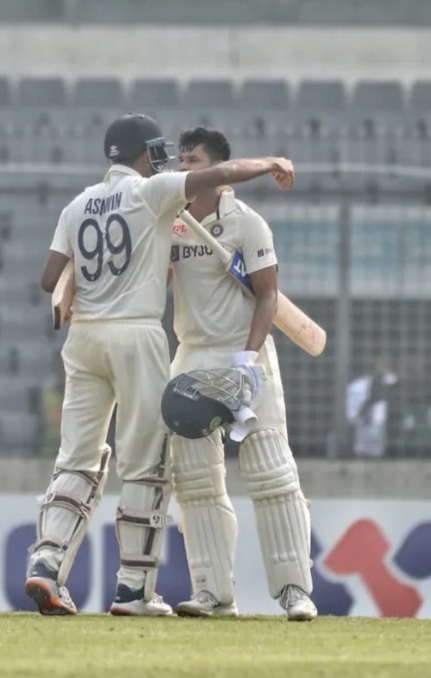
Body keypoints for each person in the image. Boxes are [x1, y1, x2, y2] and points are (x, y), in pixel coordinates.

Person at [25, 114, 295, 617]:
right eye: (156, 152)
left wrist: (80, 291)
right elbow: (221, 176)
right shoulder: (151, 192)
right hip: (136, 335)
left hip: (83, 339)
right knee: (146, 463)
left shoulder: (76, 204)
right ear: (144, 153)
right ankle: (134, 590)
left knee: (77, 458)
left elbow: (49, 281)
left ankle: (46, 563)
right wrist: (273, 163)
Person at [164, 127, 317, 621]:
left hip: (245, 358)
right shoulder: (171, 220)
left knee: (271, 471)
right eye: (181, 158)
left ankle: (294, 589)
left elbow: (269, 295)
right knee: (195, 480)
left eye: (192, 159)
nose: (182, 166)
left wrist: (249, 361)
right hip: (193, 356)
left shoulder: (248, 223)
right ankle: (212, 591)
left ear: (217, 169)